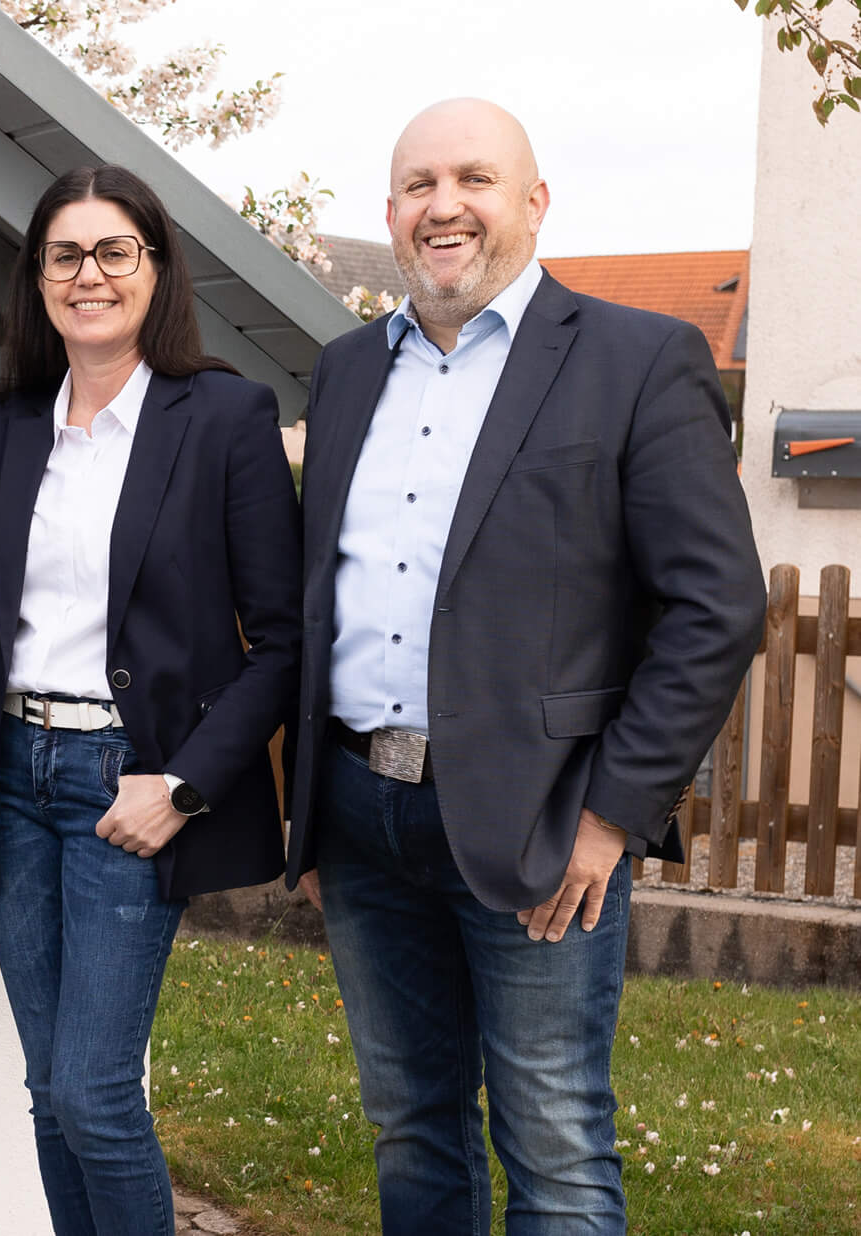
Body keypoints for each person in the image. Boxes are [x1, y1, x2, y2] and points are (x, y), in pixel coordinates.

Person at [286, 99, 765, 1234]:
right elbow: (323, 596)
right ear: (391, 214)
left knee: (553, 1144)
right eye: (417, 184)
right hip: (361, 815)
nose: (443, 206)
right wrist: (312, 804)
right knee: (411, 1126)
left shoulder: (640, 358)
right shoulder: (347, 369)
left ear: (533, 203)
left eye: (474, 179)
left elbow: (716, 605)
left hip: (547, 824)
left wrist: (611, 817)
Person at [0, 163, 303, 1234]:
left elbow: (281, 642)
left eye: (112, 251)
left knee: (94, 1091)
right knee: (50, 1093)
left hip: (123, 787)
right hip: (9, 776)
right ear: (38, 278)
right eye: (64, 255)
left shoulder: (224, 416)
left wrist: (181, 785)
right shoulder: (11, 426)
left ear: (156, 267)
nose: (88, 275)